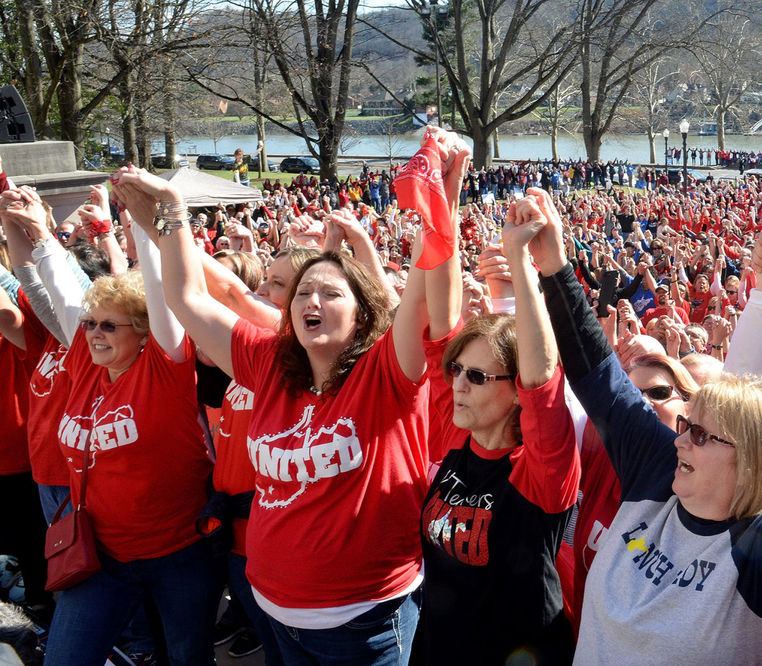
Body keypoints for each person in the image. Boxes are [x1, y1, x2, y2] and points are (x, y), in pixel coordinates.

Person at [113, 126, 469, 664]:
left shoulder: (387, 374)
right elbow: (189, 300)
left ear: (363, 313)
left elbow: (429, 280)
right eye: (304, 292)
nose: (312, 299)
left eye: (331, 292)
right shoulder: (269, 364)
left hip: (366, 622)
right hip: (275, 613)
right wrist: (168, 218)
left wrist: (440, 195)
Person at [528, 188, 762, 664]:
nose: (680, 438)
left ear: (752, 460)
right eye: (687, 424)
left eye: (701, 435)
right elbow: (598, 376)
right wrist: (554, 265)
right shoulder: (658, 472)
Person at [6, 184, 224, 664]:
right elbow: (62, 290)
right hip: (100, 556)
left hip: (179, 556)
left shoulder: (164, 368)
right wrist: (37, 233)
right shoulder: (84, 359)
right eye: (91, 324)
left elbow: (163, 294)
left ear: (144, 333)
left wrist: (145, 226)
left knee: (189, 658)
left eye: (110, 325)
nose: (94, 333)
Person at [417, 196, 580, 662]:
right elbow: (441, 330)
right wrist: (441, 202)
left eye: (478, 376)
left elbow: (544, 382)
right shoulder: (456, 437)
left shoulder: (540, 472)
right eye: (458, 371)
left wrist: (519, 262)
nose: (459, 385)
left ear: (516, 392)